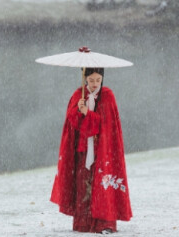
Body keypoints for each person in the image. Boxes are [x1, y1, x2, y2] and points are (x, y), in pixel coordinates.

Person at [50, 68, 132, 234]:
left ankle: (105, 224)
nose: (95, 84)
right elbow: (72, 124)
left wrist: (88, 112)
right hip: (82, 150)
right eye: (91, 80)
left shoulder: (107, 96)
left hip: (103, 151)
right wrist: (77, 111)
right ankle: (83, 223)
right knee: (83, 185)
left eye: (98, 80)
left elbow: (105, 125)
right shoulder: (77, 95)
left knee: (102, 184)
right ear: (85, 79)